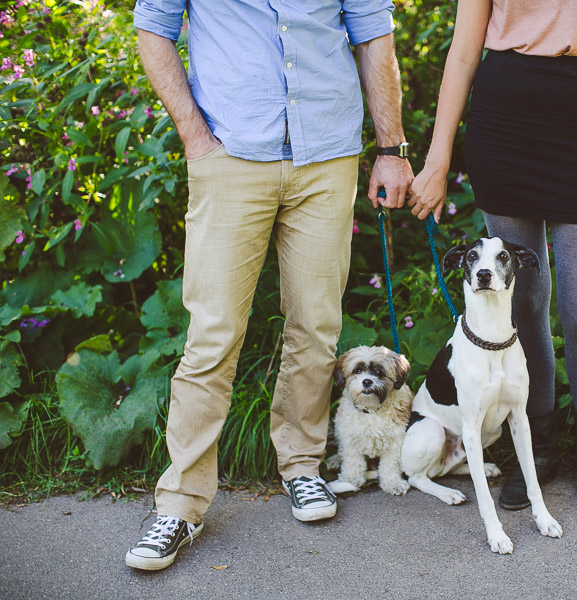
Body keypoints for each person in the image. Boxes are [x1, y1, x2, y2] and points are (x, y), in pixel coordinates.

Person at [126, 0, 413, 571]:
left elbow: (374, 35)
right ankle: (181, 503)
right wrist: (194, 137)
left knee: (316, 328)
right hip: (229, 153)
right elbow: (152, 29)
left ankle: (303, 468)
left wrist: (391, 149)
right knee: (212, 335)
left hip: (327, 156)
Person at [407, 0, 577, 510]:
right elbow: (464, 51)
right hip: (505, 129)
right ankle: (537, 447)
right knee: (525, 304)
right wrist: (437, 158)